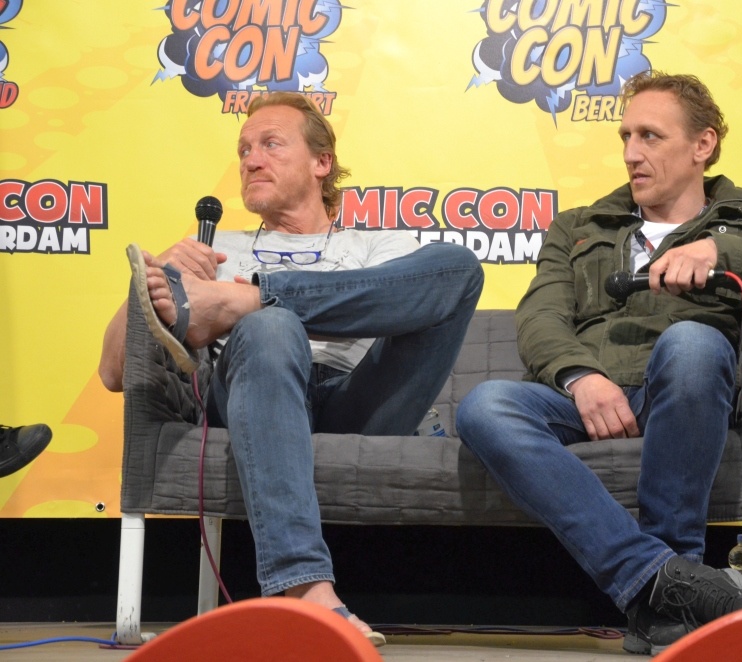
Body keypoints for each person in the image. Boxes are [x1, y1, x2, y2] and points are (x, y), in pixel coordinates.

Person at [455, 71, 742, 655]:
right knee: (485, 405)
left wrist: (723, 250)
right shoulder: (580, 226)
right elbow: (540, 317)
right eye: (626, 137)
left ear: (702, 145)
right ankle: (667, 582)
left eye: (650, 137)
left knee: (692, 343)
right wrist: (580, 377)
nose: (631, 154)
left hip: (687, 389)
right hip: (589, 396)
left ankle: (667, 573)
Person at [99, 92, 484, 646]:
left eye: (271, 144)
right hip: (255, 393)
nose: (251, 160)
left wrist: (250, 296)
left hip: (359, 399)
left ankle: (256, 301)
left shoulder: (379, 246)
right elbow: (113, 371)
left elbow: (441, 287)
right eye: (243, 150)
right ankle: (304, 588)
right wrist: (159, 270)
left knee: (459, 265)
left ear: (321, 162)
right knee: (271, 328)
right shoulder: (213, 251)